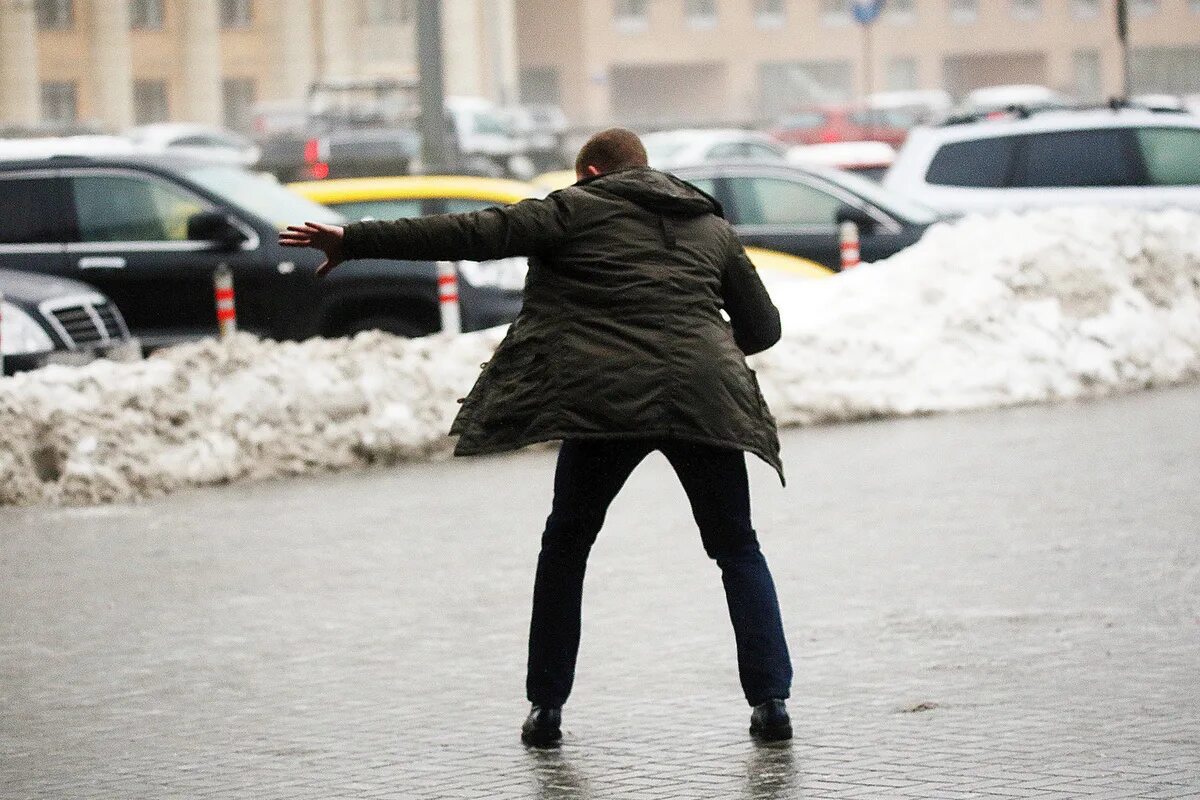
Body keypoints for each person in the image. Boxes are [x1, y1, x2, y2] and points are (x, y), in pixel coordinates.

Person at [279, 128, 794, 746]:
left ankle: (547, 710)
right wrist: (696, 349)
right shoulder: (708, 226)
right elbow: (762, 327)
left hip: (606, 402)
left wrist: (355, 239)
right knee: (736, 547)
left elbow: (473, 233)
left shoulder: (574, 208)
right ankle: (771, 705)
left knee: (566, 547)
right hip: (704, 396)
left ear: (592, 172)